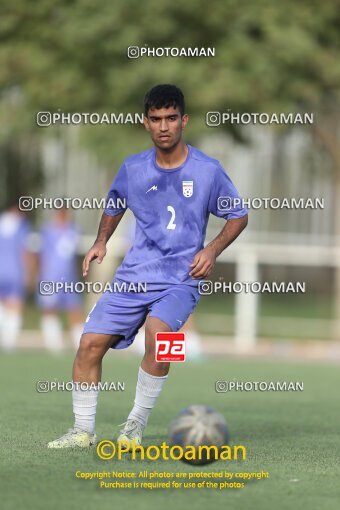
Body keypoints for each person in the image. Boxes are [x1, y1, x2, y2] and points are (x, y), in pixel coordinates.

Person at [48, 84, 248, 448]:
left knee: (162, 340)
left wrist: (213, 250)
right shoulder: (133, 168)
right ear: (146, 123)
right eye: (156, 119)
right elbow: (114, 205)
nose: (164, 126)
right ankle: (81, 432)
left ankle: (135, 425)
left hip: (181, 280)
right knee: (89, 344)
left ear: (183, 120)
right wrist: (100, 241)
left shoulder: (208, 170)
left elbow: (238, 215)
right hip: (133, 277)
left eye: (171, 118)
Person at [38, 206, 83, 352]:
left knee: (74, 310)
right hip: (50, 277)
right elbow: (41, 255)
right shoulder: (47, 230)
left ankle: (80, 344)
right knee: (50, 309)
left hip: (69, 278)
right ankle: (54, 345)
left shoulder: (74, 229)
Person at [0, 203, 32, 352]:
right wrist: (29, 273)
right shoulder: (22, 225)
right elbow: (24, 250)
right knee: (15, 306)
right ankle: (9, 344)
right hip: (14, 270)